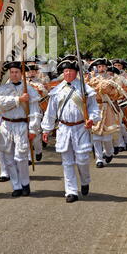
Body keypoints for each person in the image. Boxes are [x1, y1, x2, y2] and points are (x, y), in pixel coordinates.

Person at [42, 59, 101, 203]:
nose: (68, 73)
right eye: (65, 71)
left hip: (80, 127)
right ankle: (71, 191)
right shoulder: (56, 91)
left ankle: (85, 180)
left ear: (76, 73)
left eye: (71, 71)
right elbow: (50, 112)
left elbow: (93, 109)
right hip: (64, 128)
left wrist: (92, 119)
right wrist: (46, 129)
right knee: (67, 162)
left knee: (82, 160)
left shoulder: (85, 89)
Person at [0, 62, 41, 197]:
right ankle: (16, 185)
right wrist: (18, 99)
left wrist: (33, 129)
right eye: (12, 72)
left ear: (21, 74)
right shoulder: (2, 89)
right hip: (6, 125)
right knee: (8, 158)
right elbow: (0, 105)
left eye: (17, 72)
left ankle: (25, 183)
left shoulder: (30, 90)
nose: (14, 74)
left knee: (21, 157)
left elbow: (35, 111)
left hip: (21, 125)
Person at [87, 58, 123, 167]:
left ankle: (108, 153)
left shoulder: (112, 80)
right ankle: (99, 159)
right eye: (99, 67)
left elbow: (119, 94)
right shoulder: (91, 80)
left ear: (106, 68)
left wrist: (110, 90)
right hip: (95, 108)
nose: (101, 69)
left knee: (107, 136)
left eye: (103, 66)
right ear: (97, 68)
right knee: (96, 136)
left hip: (108, 108)